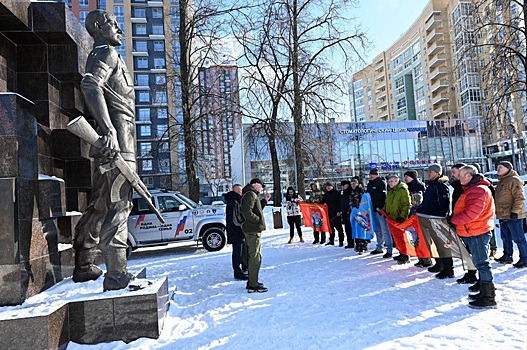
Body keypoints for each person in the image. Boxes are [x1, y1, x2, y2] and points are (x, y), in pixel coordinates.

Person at [72, 10, 137, 291]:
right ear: (98, 27)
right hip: (118, 144)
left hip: (113, 144)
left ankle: (85, 263)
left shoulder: (106, 53)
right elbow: (90, 85)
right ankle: (117, 273)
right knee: (120, 204)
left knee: (100, 203)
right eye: (113, 23)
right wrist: (108, 129)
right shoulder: (105, 52)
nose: (119, 28)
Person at [449, 165, 497, 309]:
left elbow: (471, 213)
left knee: (482, 264)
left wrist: (453, 219)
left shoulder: (478, 190)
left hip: (477, 231)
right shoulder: (474, 188)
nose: (458, 178)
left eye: (461, 175)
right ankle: (484, 291)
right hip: (473, 230)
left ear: (469, 176)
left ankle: (489, 298)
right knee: (479, 263)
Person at [415, 164, 451, 277]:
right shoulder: (431, 185)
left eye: (431, 171)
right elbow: (428, 203)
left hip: (438, 219)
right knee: (435, 244)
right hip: (429, 218)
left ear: (437, 173)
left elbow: (444, 205)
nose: (428, 173)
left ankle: (448, 269)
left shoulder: (440, 186)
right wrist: (419, 209)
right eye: (428, 171)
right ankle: (439, 263)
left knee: (442, 244)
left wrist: (440, 217)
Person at [494, 161, 527, 268]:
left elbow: (520, 198)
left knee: (518, 238)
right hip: (503, 214)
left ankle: (524, 258)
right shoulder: (502, 181)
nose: (497, 169)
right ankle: (507, 255)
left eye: (500, 167)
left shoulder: (514, 180)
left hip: (513, 215)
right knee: (505, 237)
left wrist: (515, 212)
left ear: (508, 168)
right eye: (497, 167)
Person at [241, 178, 271, 293]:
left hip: (251, 229)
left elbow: (255, 210)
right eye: (261, 186)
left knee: (253, 256)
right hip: (252, 230)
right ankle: (253, 284)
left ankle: (252, 281)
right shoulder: (250, 194)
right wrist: (257, 220)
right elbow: (246, 211)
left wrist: (264, 201)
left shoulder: (250, 194)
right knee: (255, 257)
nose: (262, 188)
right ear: (256, 185)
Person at [384, 175, 411, 260]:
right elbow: (387, 203)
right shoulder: (391, 191)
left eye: (392, 181)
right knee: (396, 237)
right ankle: (401, 252)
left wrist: (402, 216)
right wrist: (384, 210)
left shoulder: (402, 190)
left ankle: (405, 255)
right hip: (391, 218)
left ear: (396, 181)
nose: (390, 183)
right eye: (389, 182)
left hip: (399, 218)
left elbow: (406, 204)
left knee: (402, 237)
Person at [224, 184, 248, 281]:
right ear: (237, 191)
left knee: (238, 252)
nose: (242, 193)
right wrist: (241, 230)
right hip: (236, 231)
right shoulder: (234, 202)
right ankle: (237, 272)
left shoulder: (232, 200)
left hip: (233, 230)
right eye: (241, 191)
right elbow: (235, 219)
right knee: (237, 253)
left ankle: (239, 270)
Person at [367, 168, 390, 255]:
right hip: (372, 209)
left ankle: (389, 248)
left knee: (385, 229)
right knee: (377, 230)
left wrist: (381, 207)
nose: (371, 176)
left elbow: (383, 196)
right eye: (370, 174)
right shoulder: (370, 184)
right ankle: (379, 246)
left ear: (377, 174)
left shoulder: (381, 183)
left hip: (380, 210)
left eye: (373, 174)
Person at [349, 178, 367, 253]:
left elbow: (364, 202)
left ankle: (363, 246)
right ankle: (358, 244)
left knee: (361, 229)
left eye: (354, 184)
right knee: (355, 228)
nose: (352, 185)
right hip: (354, 211)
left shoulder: (361, 191)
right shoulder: (352, 191)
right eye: (351, 184)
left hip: (361, 212)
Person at [340, 180, 355, 249]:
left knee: (352, 228)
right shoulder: (343, 193)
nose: (343, 187)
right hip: (344, 212)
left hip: (350, 212)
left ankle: (355, 242)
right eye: (342, 186)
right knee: (347, 228)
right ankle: (350, 242)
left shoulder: (351, 192)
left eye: (344, 185)